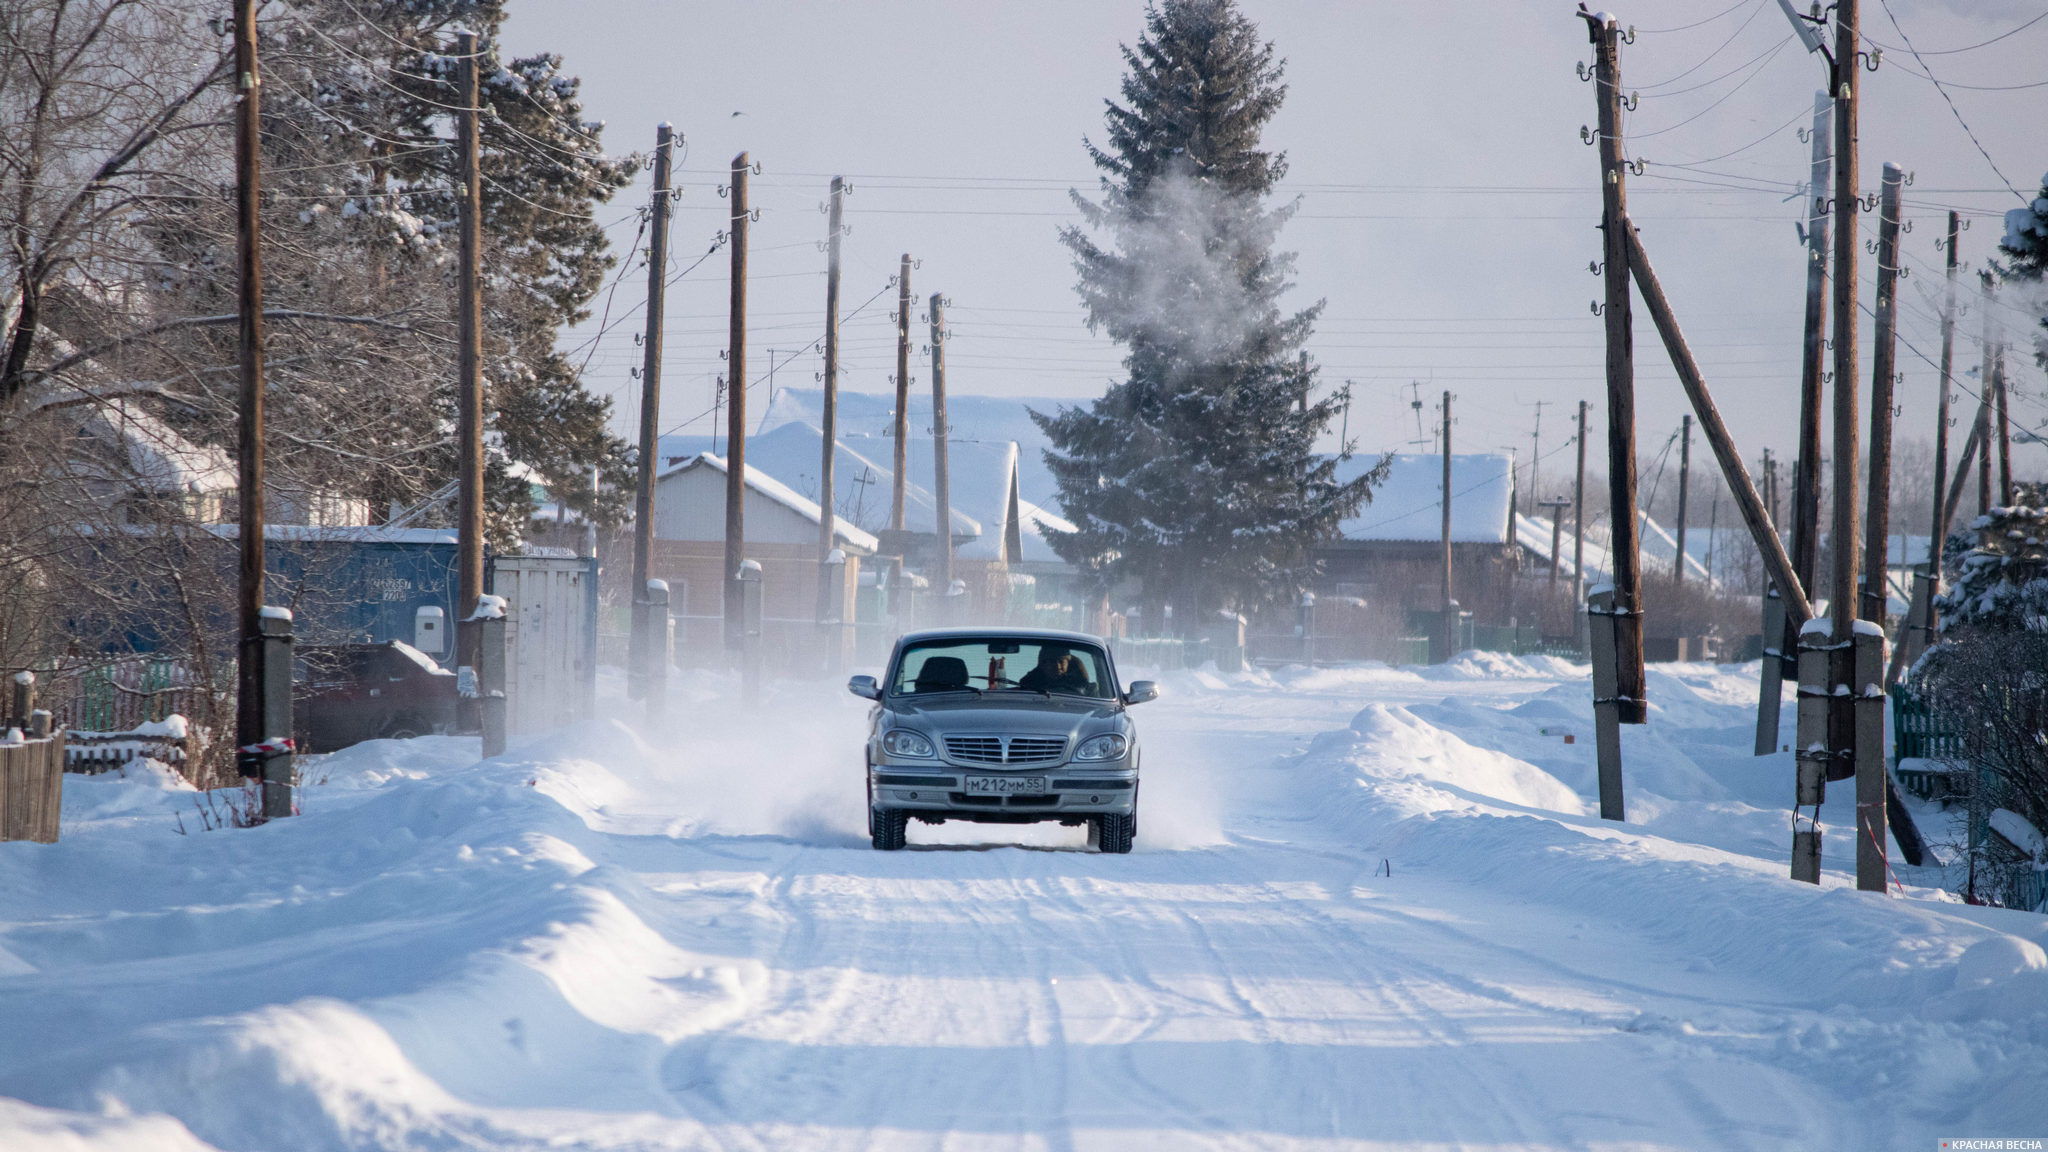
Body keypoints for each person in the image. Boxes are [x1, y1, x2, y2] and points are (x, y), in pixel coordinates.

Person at [1018, 644, 1090, 695]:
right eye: (1052, 662)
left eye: (1061, 662)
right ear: (1043, 664)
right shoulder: (1029, 685)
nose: (1058, 666)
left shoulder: (1082, 686)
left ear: (1068, 663)